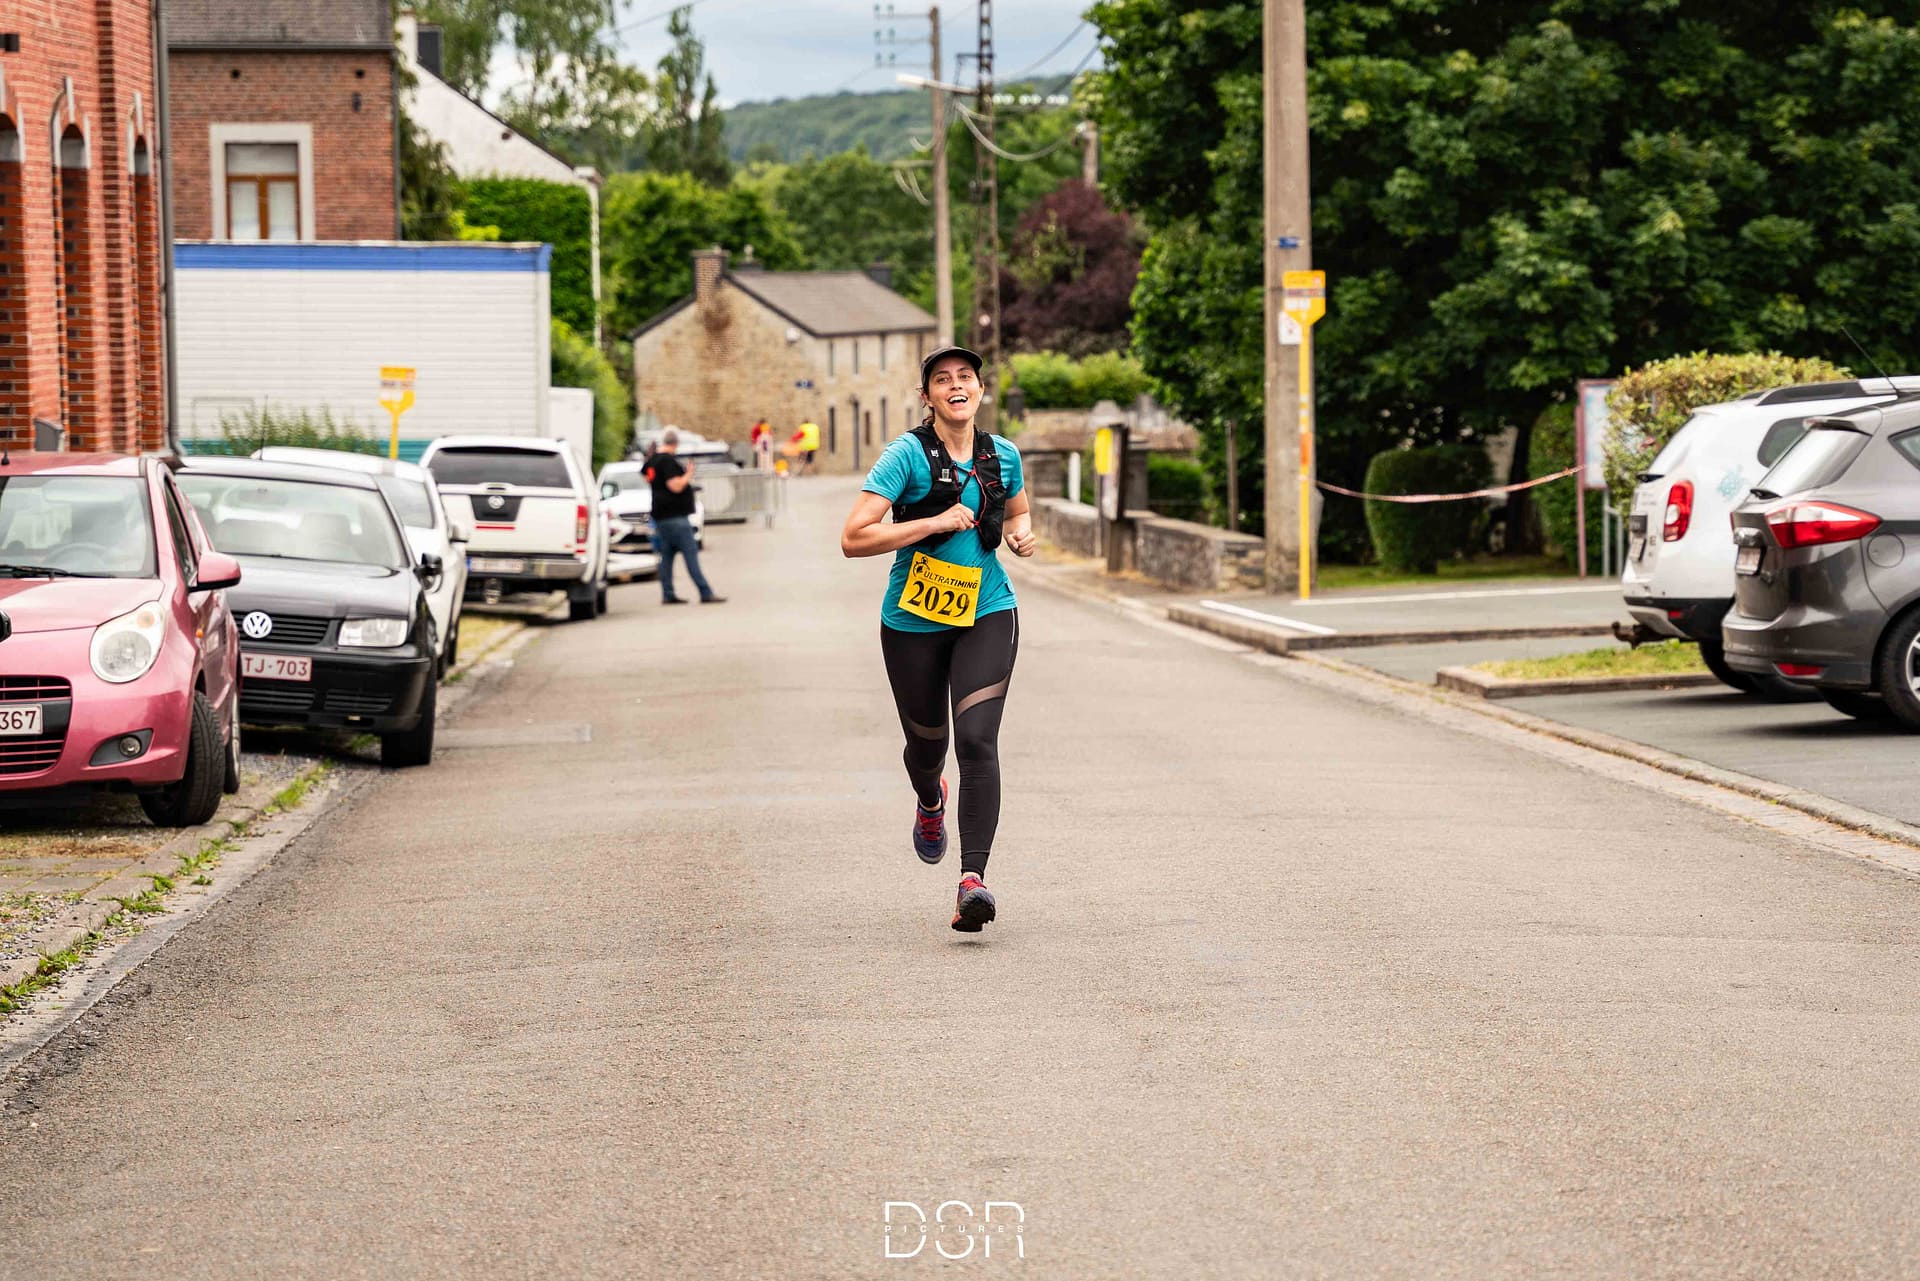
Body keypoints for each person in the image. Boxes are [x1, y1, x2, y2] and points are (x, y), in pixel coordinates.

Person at [840, 346, 1035, 933]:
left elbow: (1018, 512)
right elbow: (854, 537)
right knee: (928, 750)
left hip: (987, 609)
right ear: (927, 396)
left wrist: (1021, 535)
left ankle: (973, 881)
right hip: (913, 621)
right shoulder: (906, 456)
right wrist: (933, 521)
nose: (956, 386)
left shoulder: (1002, 455)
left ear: (980, 390)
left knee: (977, 741)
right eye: (942, 379)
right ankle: (930, 800)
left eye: (965, 377)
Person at [643, 428, 725, 606]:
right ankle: (705, 592)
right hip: (675, 517)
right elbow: (675, 486)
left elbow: (646, 477)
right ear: (675, 444)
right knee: (690, 552)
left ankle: (668, 593)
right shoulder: (668, 462)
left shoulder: (653, 460)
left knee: (667, 555)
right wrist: (688, 474)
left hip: (660, 516)